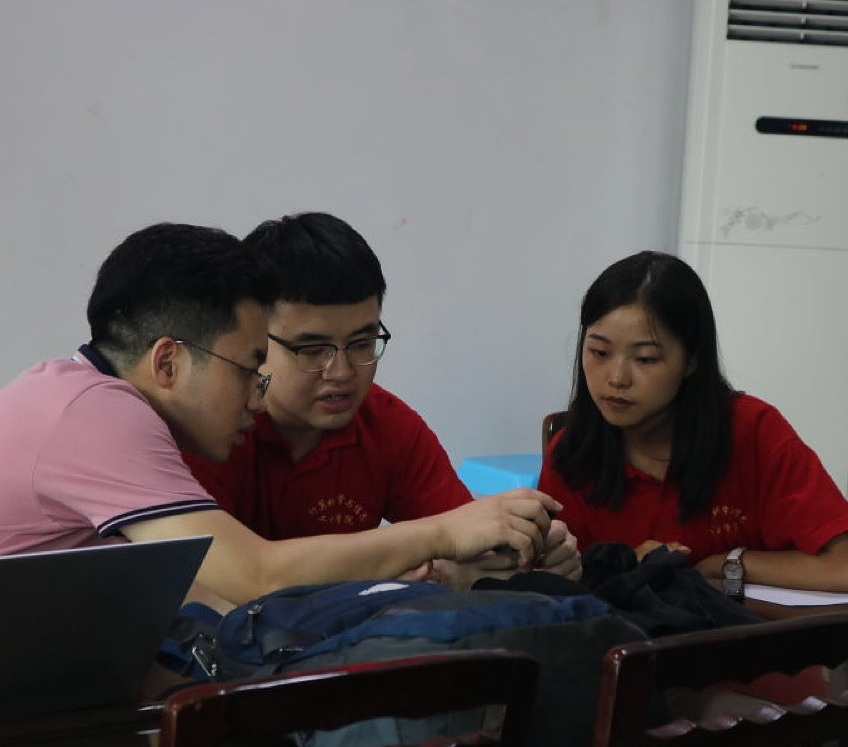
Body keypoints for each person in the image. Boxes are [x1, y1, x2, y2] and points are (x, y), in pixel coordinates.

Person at [0, 223, 561, 618]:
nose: (256, 394)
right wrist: (442, 536)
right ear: (168, 361)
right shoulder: (101, 418)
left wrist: (495, 553)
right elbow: (250, 579)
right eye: (249, 365)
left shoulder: (77, 397)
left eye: (363, 343)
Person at [182, 212, 581, 587]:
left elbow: (465, 541)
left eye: (362, 343)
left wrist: (528, 553)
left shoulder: (386, 426)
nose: (342, 372)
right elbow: (226, 582)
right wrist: (399, 567)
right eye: (313, 350)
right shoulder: (208, 431)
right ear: (254, 339)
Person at [537, 250, 848, 593]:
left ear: (692, 360)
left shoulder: (751, 430)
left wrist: (722, 564)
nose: (617, 378)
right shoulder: (571, 453)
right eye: (599, 352)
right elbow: (554, 590)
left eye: (645, 358)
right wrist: (628, 570)